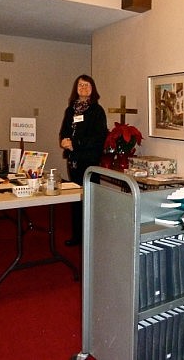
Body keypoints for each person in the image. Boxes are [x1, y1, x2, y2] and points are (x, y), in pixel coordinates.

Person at [59, 74, 107, 246]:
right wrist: (64, 141)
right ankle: (77, 235)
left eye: (87, 85)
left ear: (92, 89)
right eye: (80, 85)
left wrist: (76, 144)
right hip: (74, 160)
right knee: (77, 197)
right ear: (76, 88)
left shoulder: (97, 111)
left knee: (90, 199)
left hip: (89, 161)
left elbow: (98, 137)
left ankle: (92, 236)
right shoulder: (70, 110)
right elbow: (64, 130)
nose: (84, 88)